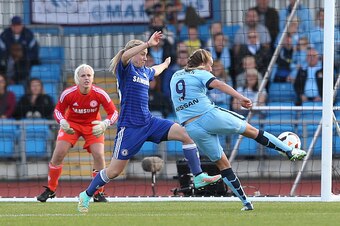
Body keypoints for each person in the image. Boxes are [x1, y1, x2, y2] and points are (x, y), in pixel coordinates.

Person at [77, 32, 221, 213]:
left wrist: (166, 64)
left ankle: (198, 176)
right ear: (134, 52)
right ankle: (86, 194)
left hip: (149, 122)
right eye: (143, 54)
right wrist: (147, 44)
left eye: (146, 55)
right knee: (113, 171)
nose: (145, 58)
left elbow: (157, 69)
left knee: (187, 135)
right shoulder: (125, 69)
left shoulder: (145, 72)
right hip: (130, 128)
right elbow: (124, 56)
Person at [169, 49, 307, 210]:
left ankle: (246, 202)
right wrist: (241, 97)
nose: (211, 69)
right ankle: (289, 151)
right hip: (209, 116)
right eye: (210, 65)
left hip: (191, 127)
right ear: (202, 64)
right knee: (252, 131)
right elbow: (219, 84)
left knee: (223, 164)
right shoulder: (200, 73)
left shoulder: (175, 76)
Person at [37, 64, 119, 203]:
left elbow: (114, 112)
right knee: (59, 153)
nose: (86, 78)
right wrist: (62, 121)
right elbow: (58, 110)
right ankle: (51, 189)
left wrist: (105, 124)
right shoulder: (68, 93)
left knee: (99, 155)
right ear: (77, 79)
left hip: (93, 125)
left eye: (89, 75)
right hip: (71, 125)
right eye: (83, 76)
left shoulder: (100, 93)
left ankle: (98, 192)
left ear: (93, 78)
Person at [0, 16, 40, 81]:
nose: (16, 27)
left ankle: (22, 82)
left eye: (18, 25)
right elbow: (1, 51)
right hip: (8, 60)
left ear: (22, 25)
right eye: (14, 25)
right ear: (11, 26)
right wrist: (11, 56)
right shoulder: (4, 35)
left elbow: (34, 52)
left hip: (25, 62)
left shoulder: (28, 34)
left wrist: (22, 57)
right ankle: (6, 80)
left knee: (25, 65)